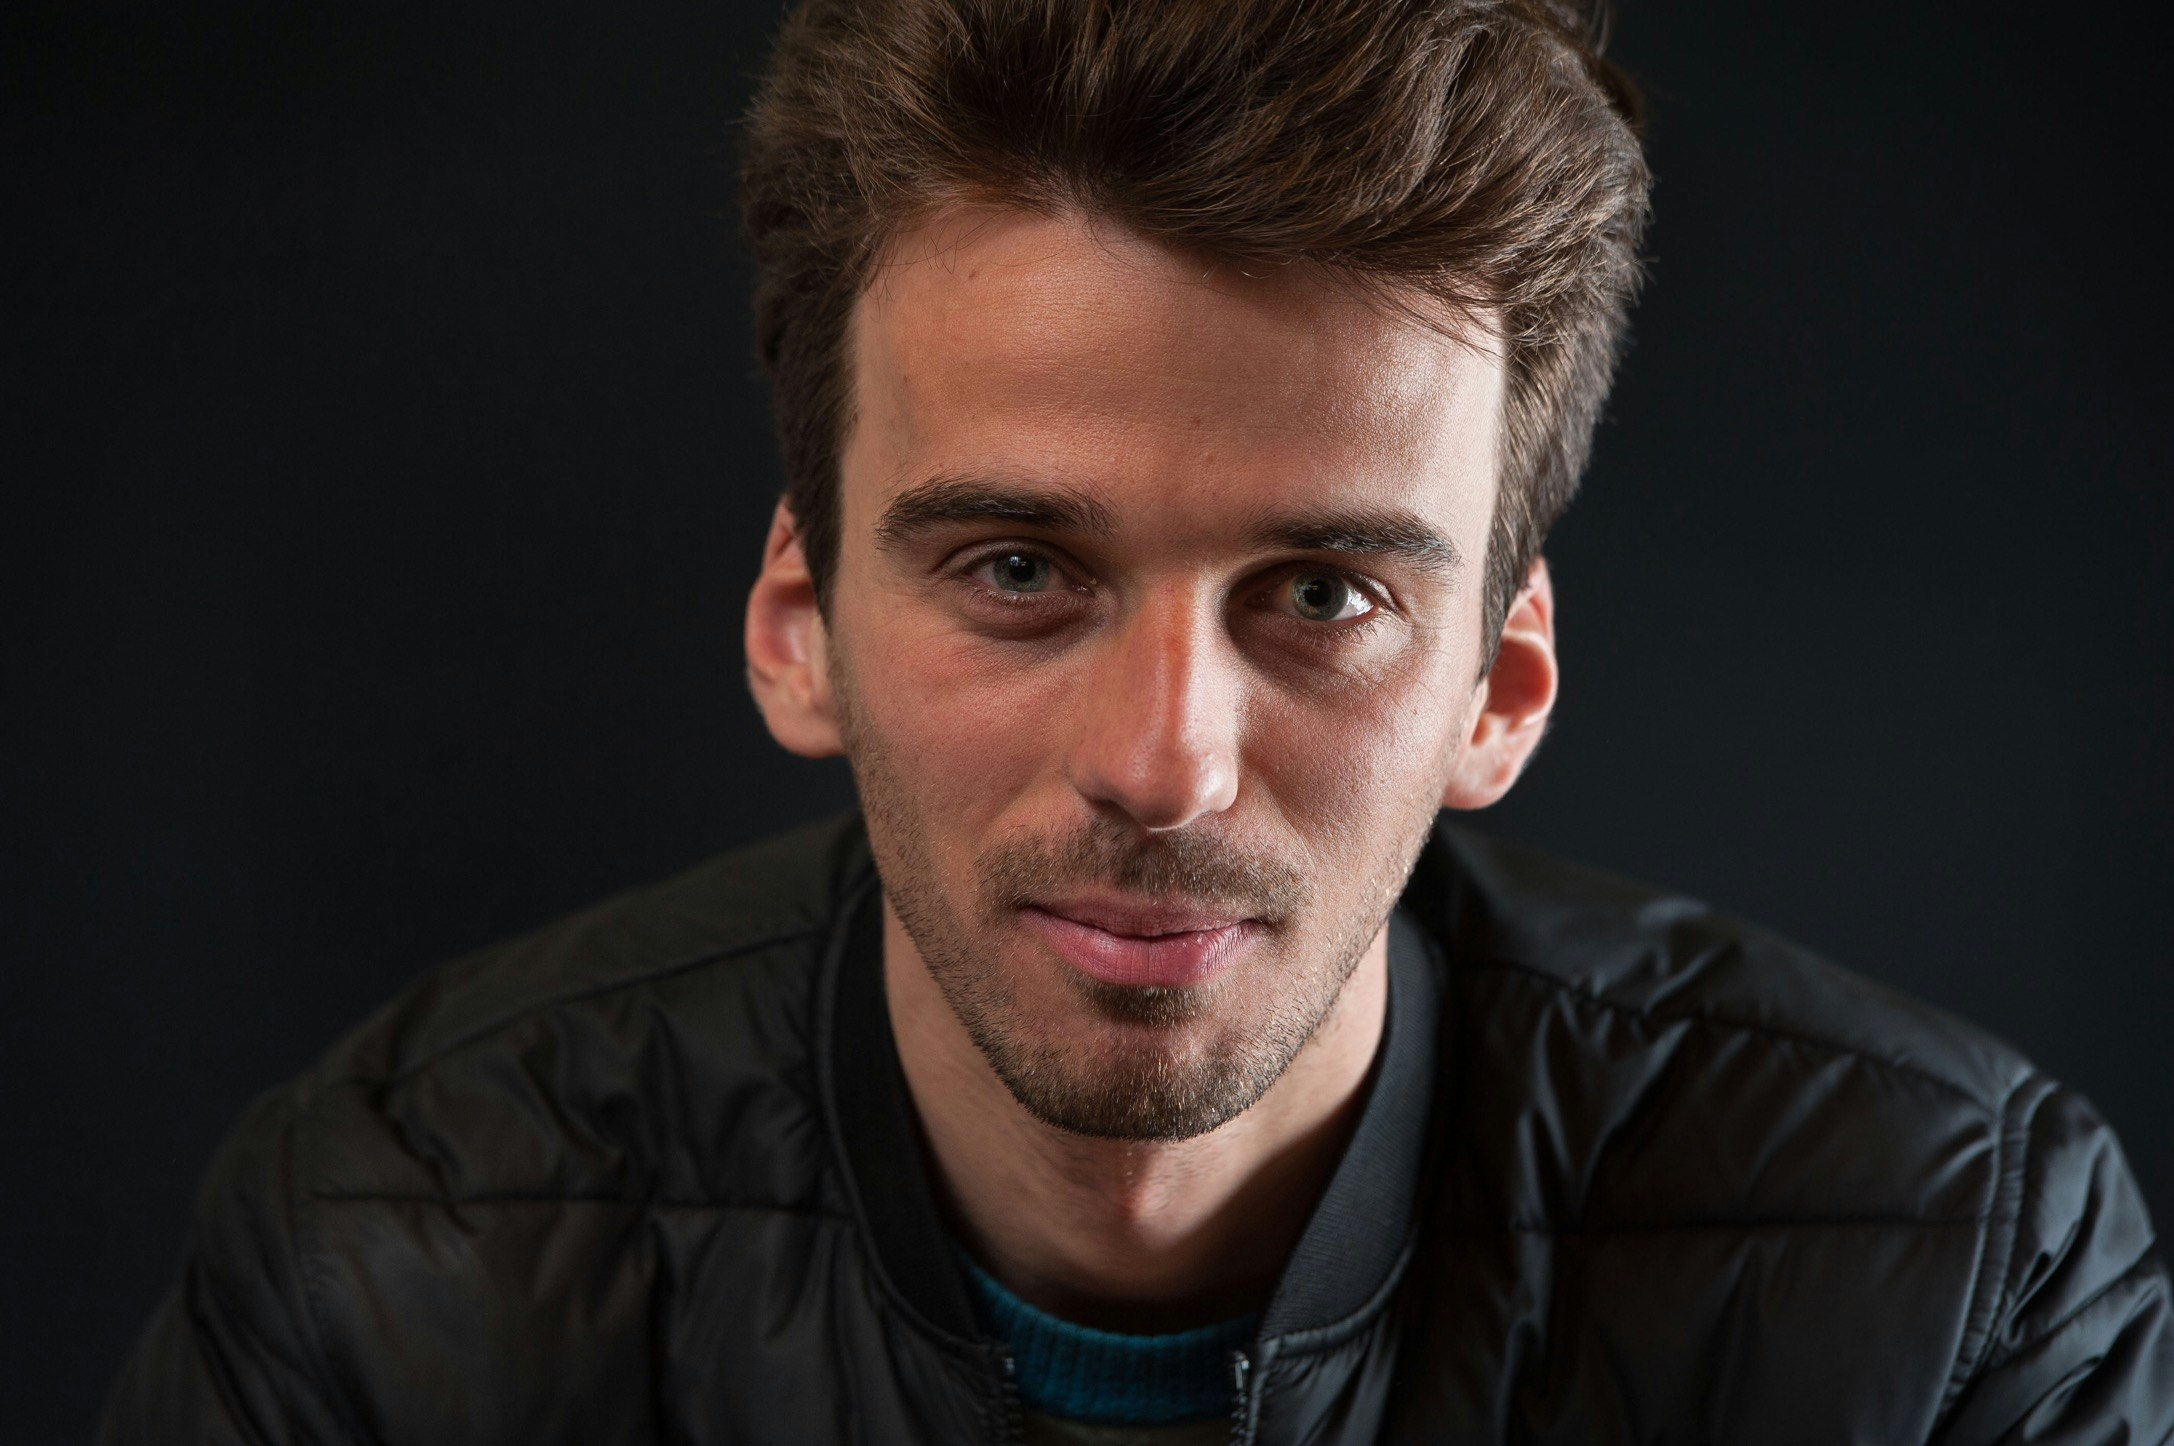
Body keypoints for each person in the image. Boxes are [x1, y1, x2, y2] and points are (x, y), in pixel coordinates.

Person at [100, 0, 2171, 1440]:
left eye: (1324, 594)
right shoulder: (391, 1259)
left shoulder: (1949, 1284)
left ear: (1498, 686)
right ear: (801, 623)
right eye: (1018, 569)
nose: (1164, 763)